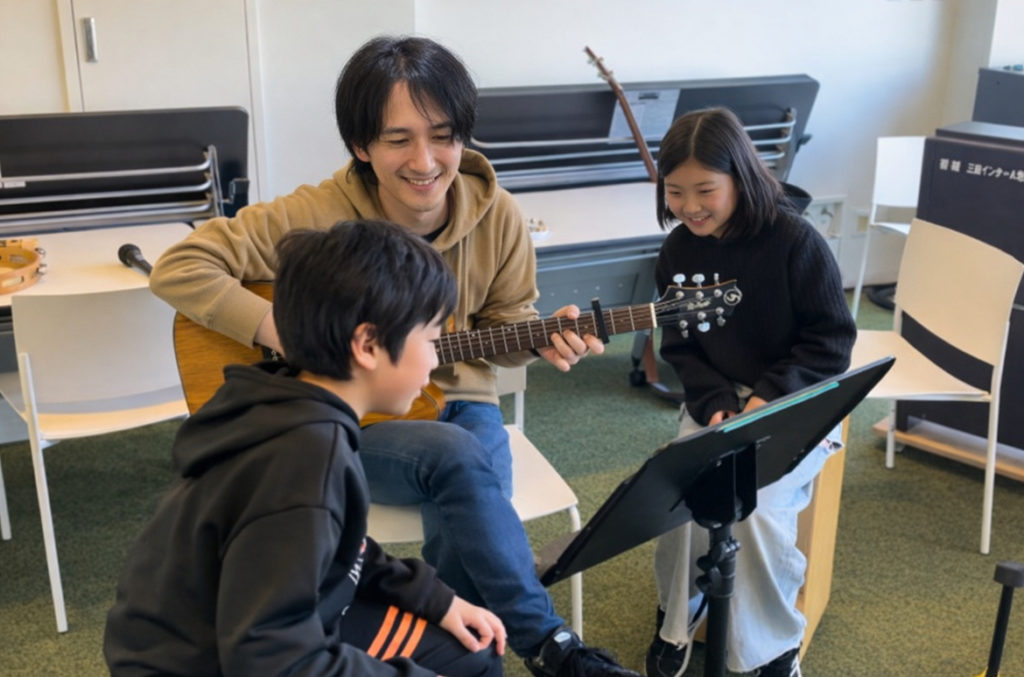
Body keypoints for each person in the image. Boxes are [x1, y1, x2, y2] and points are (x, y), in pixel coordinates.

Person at [150, 35, 638, 677]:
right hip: (346, 415)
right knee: (464, 469)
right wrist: (286, 330)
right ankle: (547, 646)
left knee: (470, 484)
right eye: (397, 139)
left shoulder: (499, 216)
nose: (425, 161)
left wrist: (540, 338)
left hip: (457, 400)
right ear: (361, 145)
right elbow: (179, 267)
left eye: (443, 136)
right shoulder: (314, 214)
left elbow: (505, 324)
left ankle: (462, 647)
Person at [105, 220, 506, 676]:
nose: (436, 360)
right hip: (210, 661)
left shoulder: (294, 407)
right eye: (431, 341)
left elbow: (339, 545)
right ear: (368, 344)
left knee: (473, 654)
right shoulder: (304, 460)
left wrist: (436, 598)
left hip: (264, 622)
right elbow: (274, 660)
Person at [644, 107, 855, 677]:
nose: (689, 207)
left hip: (799, 398)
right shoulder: (677, 251)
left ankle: (773, 649)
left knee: (753, 512)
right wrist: (716, 404)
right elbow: (681, 347)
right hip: (718, 402)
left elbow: (832, 342)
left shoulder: (796, 240)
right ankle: (677, 617)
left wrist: (768, 399)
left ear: (740, 177)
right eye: (675, 192)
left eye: (705, 190)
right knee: (678, 497)